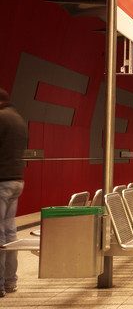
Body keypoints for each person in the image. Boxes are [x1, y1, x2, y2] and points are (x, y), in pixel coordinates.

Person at [0, 88, 26, 297]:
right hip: (16, 180)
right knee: (10, 232)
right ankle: (11, 282)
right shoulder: (18, 119)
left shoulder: (2, 118)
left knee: (0, 233)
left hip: (1, 181)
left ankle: (0, 284)